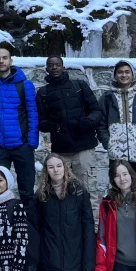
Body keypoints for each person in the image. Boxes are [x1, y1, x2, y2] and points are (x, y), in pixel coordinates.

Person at [0, 42, 39, 210]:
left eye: (5, 58)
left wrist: (31, 143)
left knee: (27, 191)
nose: (1, 61)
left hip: (22, 145)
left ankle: (30, 230)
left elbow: (33, 114)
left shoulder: (25, 86)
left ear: (11, 60)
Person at [37, 56, 105, 197]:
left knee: (88, 191)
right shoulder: (42, 93)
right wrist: (55, 127)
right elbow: (41, 122)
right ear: (47, 69)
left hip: (84, 148)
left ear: (63, 67)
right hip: (61, 151)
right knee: (62, 192)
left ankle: (91, 219)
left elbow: (96, 110)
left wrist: (88, 122)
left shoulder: (79, 86)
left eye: (57, 64)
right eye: (51, 65)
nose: (54, 67)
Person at [97, 61, 136, 193]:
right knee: (118, 193)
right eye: (120, 72)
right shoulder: (107, 98)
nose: (124, 75)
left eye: (127, 72)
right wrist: (108, 143)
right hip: (117, 157)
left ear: (132, 75)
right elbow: (100, 124)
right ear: (115, 75)